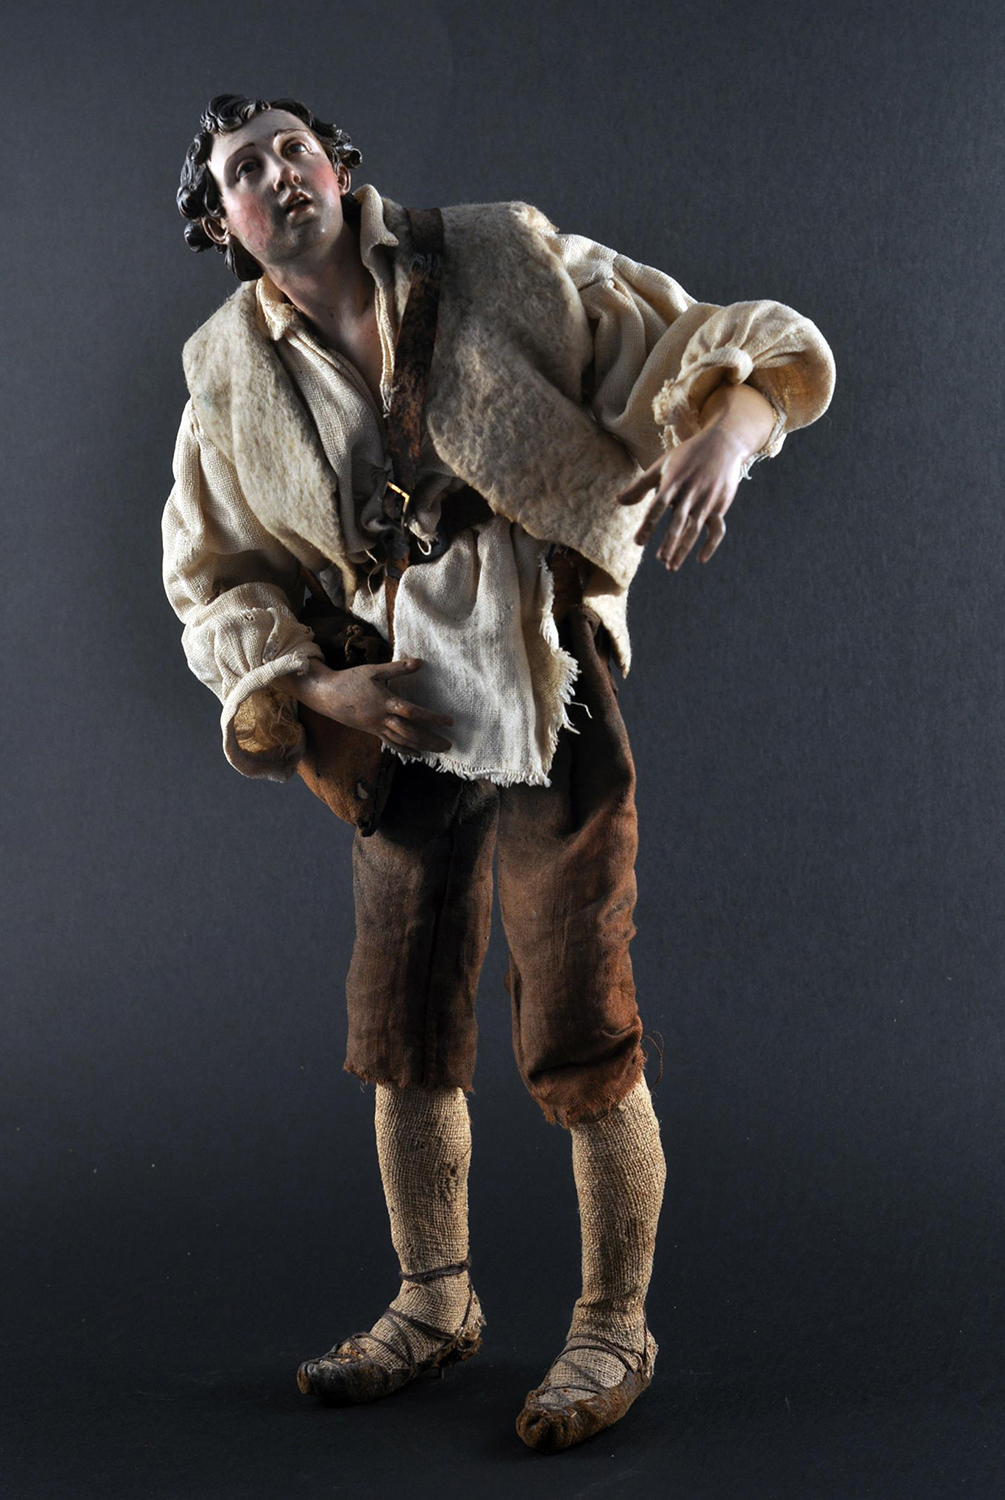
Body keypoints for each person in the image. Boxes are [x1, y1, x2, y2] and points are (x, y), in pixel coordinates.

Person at [163, 93, 835, 1453]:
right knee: (401, 1025)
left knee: (579, 1017)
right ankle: (433, 1303)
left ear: (337, 165)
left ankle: (612, 1322)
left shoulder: (498, 253)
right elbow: (211, 573)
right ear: (222, 225)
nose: (278, 173)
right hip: (398, 718)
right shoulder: (224, 370)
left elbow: (710, 339)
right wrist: (316, 690)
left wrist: (730, 428)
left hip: (542, 684)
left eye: (292, 147)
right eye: (243, 169)